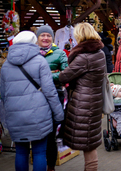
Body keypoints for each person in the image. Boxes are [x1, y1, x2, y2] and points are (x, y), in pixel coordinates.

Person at [0, 31, 64, 171]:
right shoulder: (40, 61)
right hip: (38, 115)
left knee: (21, 152)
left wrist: (6, 116)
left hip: (16, 116)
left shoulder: (6, 65)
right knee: (39, 152)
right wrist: (59, 114)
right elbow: (49, 91)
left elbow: (3, 94)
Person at [59, 23, 106, 171]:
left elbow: (64, 76)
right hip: (94, 102)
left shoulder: (84, 57)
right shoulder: (100, 53)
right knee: (90, 143)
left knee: (88, 145)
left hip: (83, 104)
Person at [36, 25, 68, 171]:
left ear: (52, 38)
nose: (45, 38)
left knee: (51, 133)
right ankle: (39, 162)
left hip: (55, 96)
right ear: (37, 38)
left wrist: (45, 76)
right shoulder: (32, 54)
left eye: (48, 36)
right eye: (42, 35)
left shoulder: (59, 53)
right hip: (36, 97)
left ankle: (50, 166)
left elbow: (65, 73)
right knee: (38, 133)